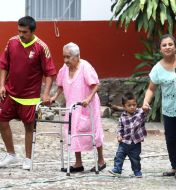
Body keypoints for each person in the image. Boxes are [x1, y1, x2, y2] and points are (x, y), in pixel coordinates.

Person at [0, 16, 56, 170]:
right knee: (1, 120)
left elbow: (50, 73)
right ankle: (11, 155)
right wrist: (1, 85)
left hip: (30, 97)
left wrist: (45, 94)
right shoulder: (11, 42)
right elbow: (4, 65)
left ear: (32, 31)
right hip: (10, 93)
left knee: (29, 127)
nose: (21, 34)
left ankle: (28, 159)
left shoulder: (41, 47)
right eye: (19, 31)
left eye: (24, 32)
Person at [142, 34, 176, 179]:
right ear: (160, 49)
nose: (168, 47)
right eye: (164, 45)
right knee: (170, 139)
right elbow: (151, 89)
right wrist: (146, 102)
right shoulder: (157, 68)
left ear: (175, 46)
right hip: (168, 110)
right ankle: (173, 166)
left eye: (170, 44)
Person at [50, 42, 106, 173]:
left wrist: (88, 98)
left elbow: (96, 84)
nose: (65, 60)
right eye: (64, 57)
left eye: (68, 57)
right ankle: (78, 163)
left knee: (94, 132)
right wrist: (54, 97)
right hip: (72, 106)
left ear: (77, 56)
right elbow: (60, 86)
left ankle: (101, 160)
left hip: (88, 105)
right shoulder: (64, 68)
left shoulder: (85, 67)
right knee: (72, 132)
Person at [109, 92, 148, 178]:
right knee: (119, 156)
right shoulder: (122, 117)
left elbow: (146, 110)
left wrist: (146, 108)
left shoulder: (140, 112)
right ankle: (117, 169)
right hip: (124, 142)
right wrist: (119, 135)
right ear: (124, 106)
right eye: (129, 105)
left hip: (135, 143)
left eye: (134, 105)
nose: (132, 107)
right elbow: (120, 128)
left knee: (135, 159)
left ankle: (137, 171)